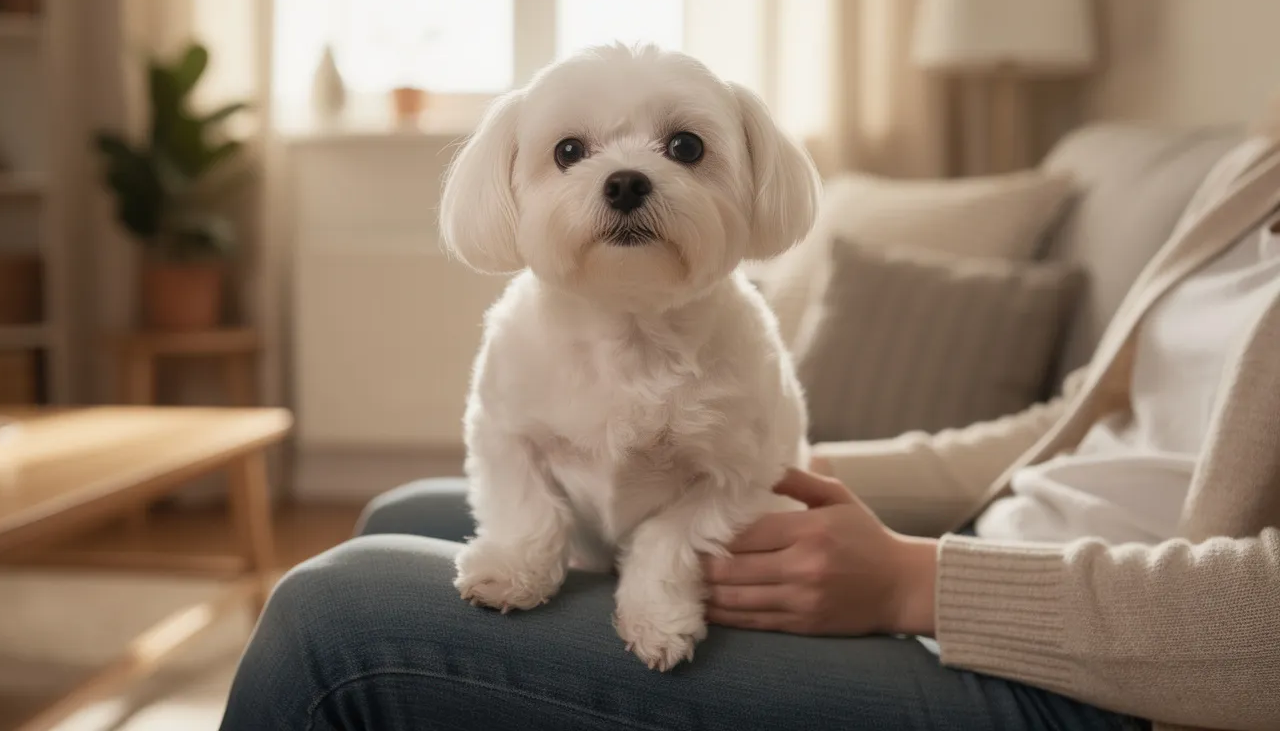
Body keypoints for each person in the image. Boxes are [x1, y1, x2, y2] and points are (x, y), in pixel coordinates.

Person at [219, 136, 1280, 731]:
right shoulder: (1252, 177)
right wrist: (774, 479)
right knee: (408, 514)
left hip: (1091, 677)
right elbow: (1076, 420)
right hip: (993, 557)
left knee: (331, 618)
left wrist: (915, 584)